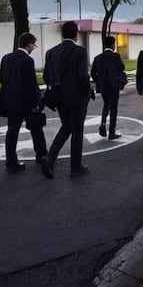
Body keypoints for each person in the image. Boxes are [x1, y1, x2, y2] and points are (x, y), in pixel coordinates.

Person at [43, 21, 91, 178]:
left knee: (66, 127)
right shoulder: (80, 51)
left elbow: (46, 76)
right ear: (76, 34)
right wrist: (87, 92)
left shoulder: (51, 52)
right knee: (77, 130)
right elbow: (83, 76)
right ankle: (76, 166)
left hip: (59, 97)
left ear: (62, 34)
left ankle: (50, 158)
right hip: (77, 97)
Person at [0, 32, 46, 173]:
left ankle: (11, 161)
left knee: (12, 131)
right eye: (34, 45)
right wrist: (36, 103)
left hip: (10, 101)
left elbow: (1, 78)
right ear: (29, 44)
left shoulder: (6, 58)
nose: (34, 48)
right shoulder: (27, 60)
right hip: (25, 102)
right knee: (36, 128)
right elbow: (31, 84)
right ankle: (41, 154)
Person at [91, 35, 126, 140]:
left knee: (106, 105)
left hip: (103, 87)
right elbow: (121, 67)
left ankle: (103, 123)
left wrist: (99, 81)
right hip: (114, 86)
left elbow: (93, 73)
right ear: (112, 45)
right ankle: (111, 132)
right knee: (113, 108)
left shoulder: (98, 58)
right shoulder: (115, 57)